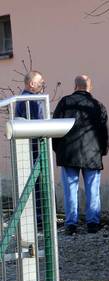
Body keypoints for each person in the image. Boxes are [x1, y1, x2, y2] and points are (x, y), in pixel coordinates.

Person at [52, 75, 109, 235]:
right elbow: (105, 133)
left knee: (70, 189)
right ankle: (93, 224)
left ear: (75, 86)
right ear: (89, 87)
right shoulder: (98, 105)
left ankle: (71, 224)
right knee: (93, 189)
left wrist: (58, 150)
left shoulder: (64, 102)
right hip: (92, 154)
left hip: (69, 153)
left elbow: (54, 127)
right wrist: (102, 151)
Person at [15, 70, 46, 228]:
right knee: (39, 183)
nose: (42, 84)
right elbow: (40, 123)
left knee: (33, 183)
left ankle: (35, 219)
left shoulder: (22, 99)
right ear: (32, 83)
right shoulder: (31, 100)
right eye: (40, 81)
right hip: (35, 147)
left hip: (28, 147)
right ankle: (40, 219)